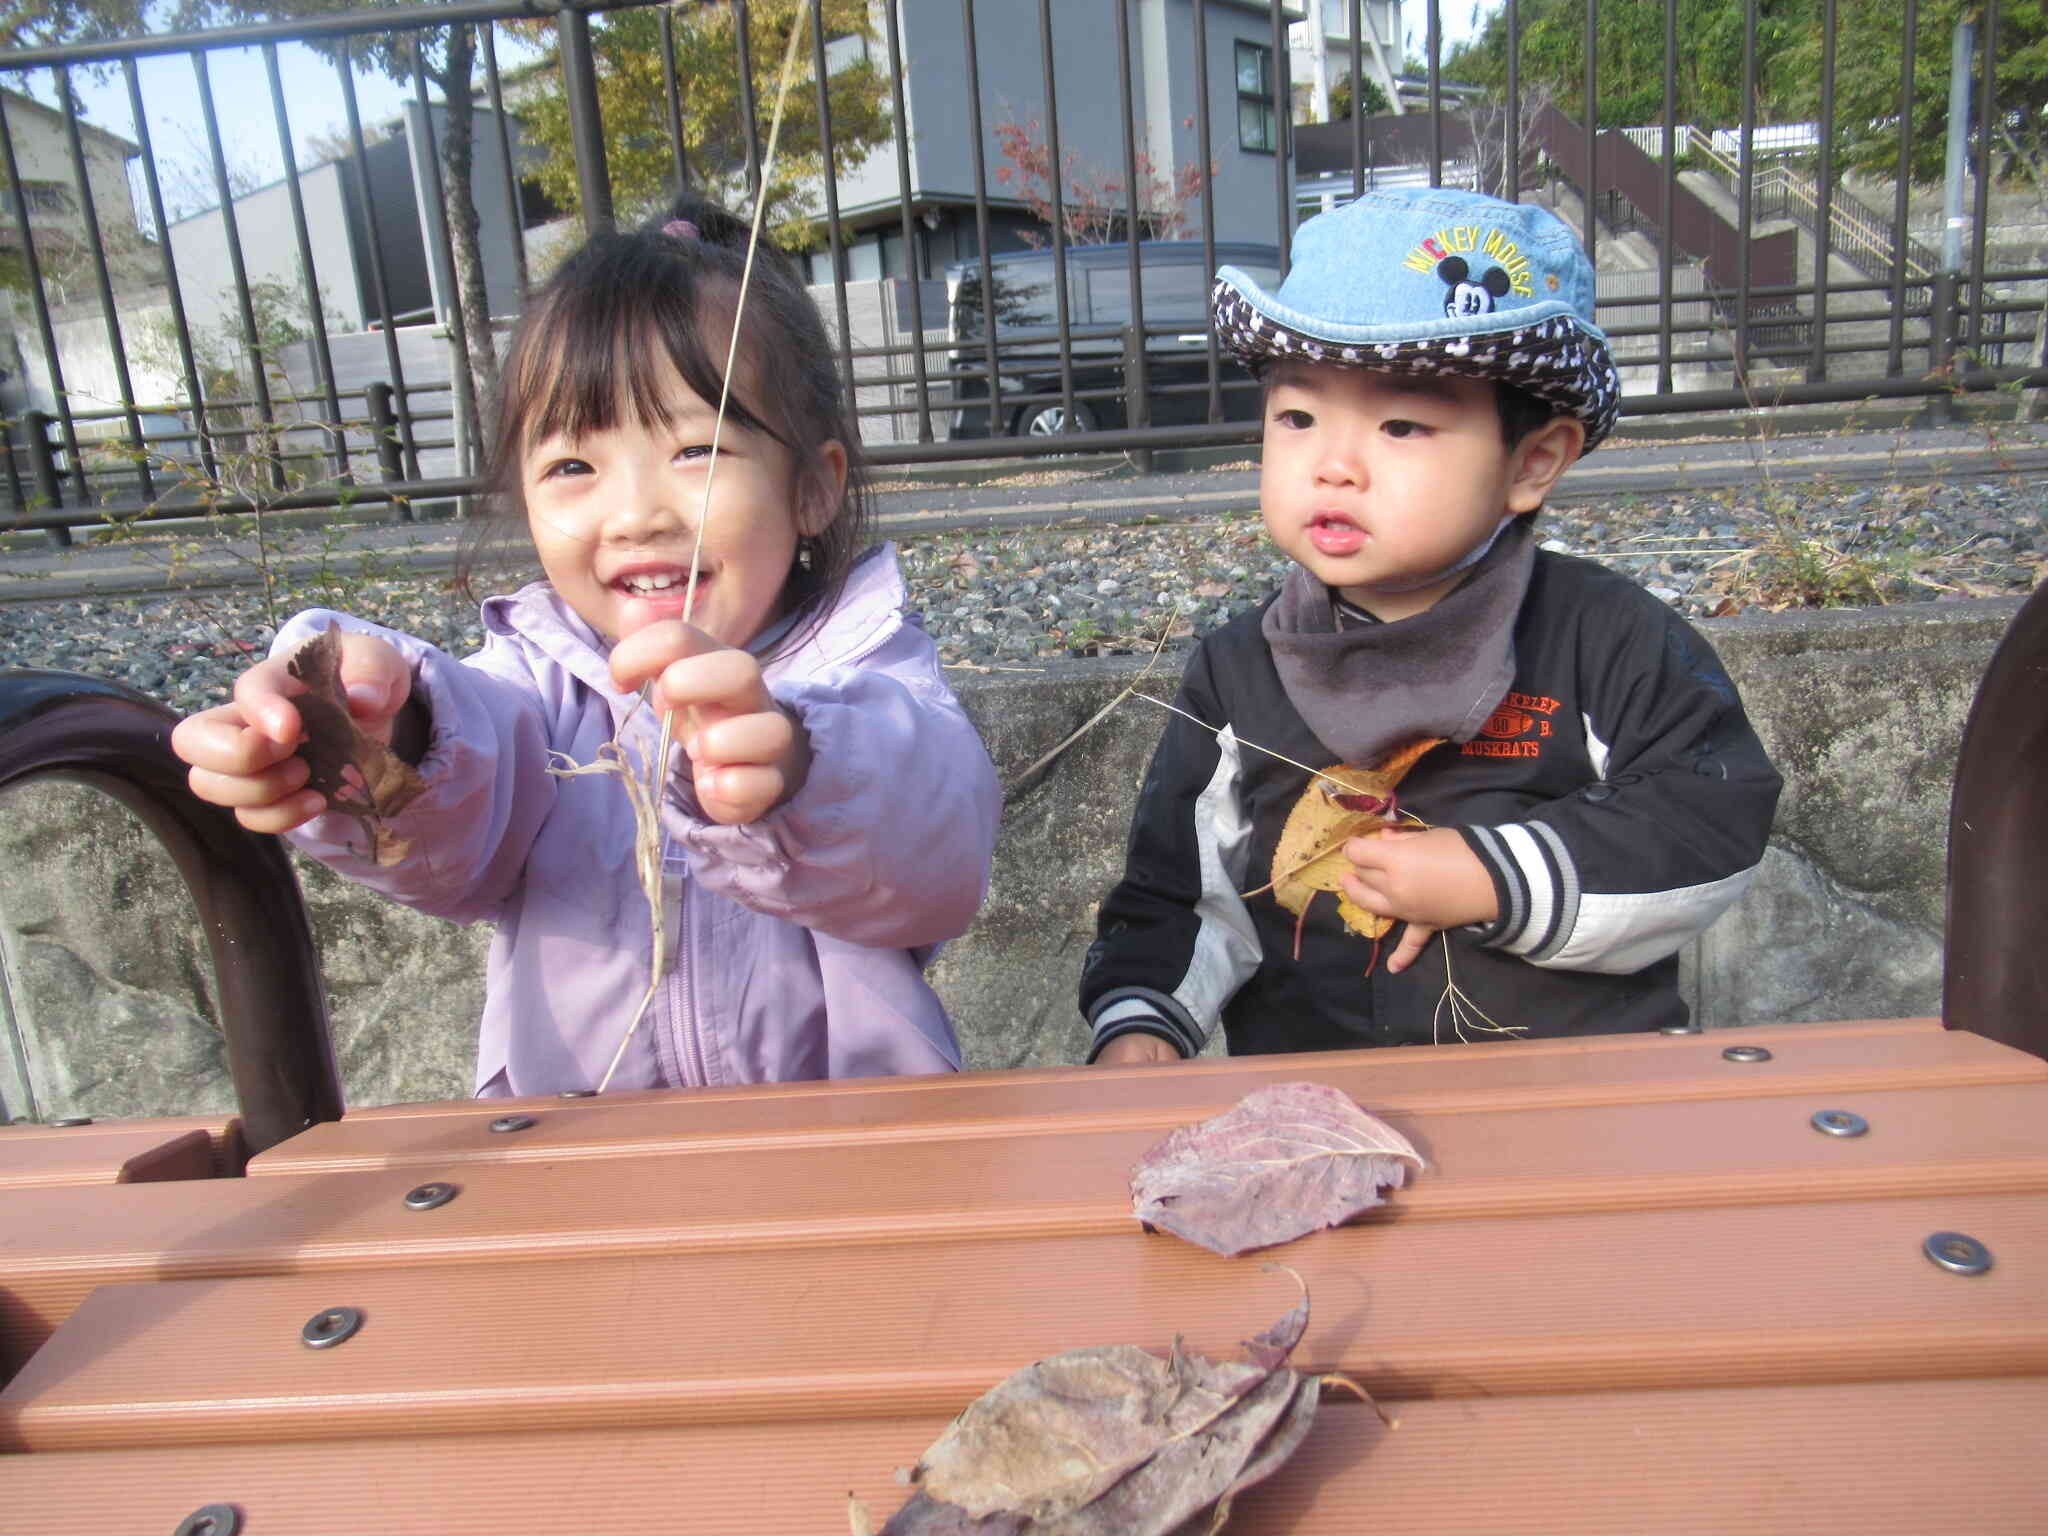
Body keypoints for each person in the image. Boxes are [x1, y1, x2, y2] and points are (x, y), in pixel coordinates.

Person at [173, 198, 1002, 1097]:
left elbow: (938, 853)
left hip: (855, 1151)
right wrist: (376, 728)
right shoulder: (535, 689)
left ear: (812, 488)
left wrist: (801, 763)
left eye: (697, 450)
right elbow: (466, 828)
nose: (637, 514)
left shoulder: (865, 667)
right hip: (580, 1150)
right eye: (573, 466)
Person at [1082, 186, 1782, 1065]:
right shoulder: (1237, 672)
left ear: (1533, 462)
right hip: (1319, 1110)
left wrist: (1498, 874)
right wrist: (1144, 1020)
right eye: (1297, 417)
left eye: (1402, 425)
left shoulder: (1605, 640)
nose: (1334, 465)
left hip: (1579, 1106)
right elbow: (1181, 892)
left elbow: (1709, 817)